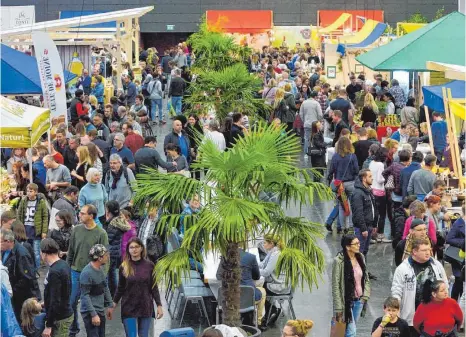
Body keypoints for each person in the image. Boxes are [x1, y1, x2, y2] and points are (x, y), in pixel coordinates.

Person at [391, 238, 448, 336]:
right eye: (424, 250)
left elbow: (445, 285)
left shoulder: (437, 265)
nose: (428, 252)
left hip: (434, 317)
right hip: (411, 319)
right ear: (414, 252)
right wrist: (396, 314)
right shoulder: (402, 269)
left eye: (429, 249)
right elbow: (396, 292)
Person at [67, 204, 109, 337]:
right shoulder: (76, 230)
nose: (79, 215)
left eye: (82, 213)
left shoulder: (101, 233)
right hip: (75, 271)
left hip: (92, 274)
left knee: (93, 303)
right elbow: (71, 251)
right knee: (72, 301)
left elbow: (105, 256)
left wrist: (103, 274)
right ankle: (73, 329)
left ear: (91, 216)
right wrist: (68, 269)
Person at [108, 238, 163, 337]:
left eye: (136, 247)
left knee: (144, 335)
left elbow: (154, 287)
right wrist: (113, 305)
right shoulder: (124, 266)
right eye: (131, 247)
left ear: (142, 248)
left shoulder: (150, 266)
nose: (134, 249)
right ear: (128, 250)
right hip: (129, 306)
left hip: (145, 305)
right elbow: (120, 288)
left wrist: (159, 305)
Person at [332, 235, 371, 337]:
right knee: (351, 331)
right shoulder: (339, 261)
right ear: (348, 247)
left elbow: (366, 278)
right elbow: (336, 285)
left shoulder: (360, 257)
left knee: (347, 329)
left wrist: (365, 296)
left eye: (359, 243)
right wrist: (338, 308)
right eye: (356, 244)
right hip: (345, 302)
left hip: (359, 300)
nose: (359, 245)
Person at [1, 228, 38, 321]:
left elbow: (27, 278)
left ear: (8, 241)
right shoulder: (6, 251)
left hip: (21, 297)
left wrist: (12, 291)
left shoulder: (22, 254)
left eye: (0, 242)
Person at [40, 238, 73, 337]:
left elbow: (55, 300)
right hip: (65, 312)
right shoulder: (63, 264)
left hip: (60, 318)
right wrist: (46, 303)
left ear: (44, 254)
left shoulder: (54, 272)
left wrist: (48, 326)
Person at [79, 244, 113, 337]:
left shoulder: (100, 269)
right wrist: (93, 314)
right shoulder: (87, 273)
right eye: (106, 255)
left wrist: (110, 305)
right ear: (100, 258)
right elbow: (84, 295)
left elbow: (105, 287)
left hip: (100, 310)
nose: (108, 257)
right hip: (90, 313)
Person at [328, 137, 359, 232]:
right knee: (352, 205)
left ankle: (342, 227)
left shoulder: (335, 156)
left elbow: (331, 171)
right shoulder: (352, 156)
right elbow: (356, 170)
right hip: (351, 183)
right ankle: (350, 225)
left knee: (341, 206)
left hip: (339, 185)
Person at [16, 183, 49, 269]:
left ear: (36, 192)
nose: (28, 193)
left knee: (36, 252)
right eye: (27, 191)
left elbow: (45, 217)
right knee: (25, 250)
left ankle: (36, 269)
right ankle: (27, 267)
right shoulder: (24, 201)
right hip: (25, 230)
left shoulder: (41, 202)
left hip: (36, 231)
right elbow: (19, 214)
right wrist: (19, 228)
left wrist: (44, 231)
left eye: (31, 191)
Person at [105, 200, 131, 297]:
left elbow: (108, 239)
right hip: (116, 251)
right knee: (112, 273)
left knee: (108, 274)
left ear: (109, 210)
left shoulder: (113, 224)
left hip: (110, 252)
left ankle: (110, 295)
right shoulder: (119, 221)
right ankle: (114, 293)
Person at [351, 169, 378, 257]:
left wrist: (374, 225)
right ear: (363, 178)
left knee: (364, 251)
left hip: (369, 226)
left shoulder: (368, 190)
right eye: (370, 176)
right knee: (359, 252)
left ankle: (363, 269)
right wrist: (363, 228)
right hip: (362, 228)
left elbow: (373, 208)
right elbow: (358, 213)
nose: (372, 179)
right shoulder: (358, 193)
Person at [446, 203, 465, 301]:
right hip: (458, 258)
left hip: (463, 257)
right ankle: (454, 303)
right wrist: (463, 242)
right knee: (459, 281)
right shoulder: (458, 223)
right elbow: (449, 239)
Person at [299, 90, 323, 156]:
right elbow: (320, 114)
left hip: (306, 123)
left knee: (306, 138)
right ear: (315, 96)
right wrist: (319, 121)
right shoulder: (316, 103)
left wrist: (304, 121)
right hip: (315, 124)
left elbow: (301, 114)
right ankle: (313, 152)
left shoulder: (304, 103)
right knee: (315, 138)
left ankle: (306, 153)